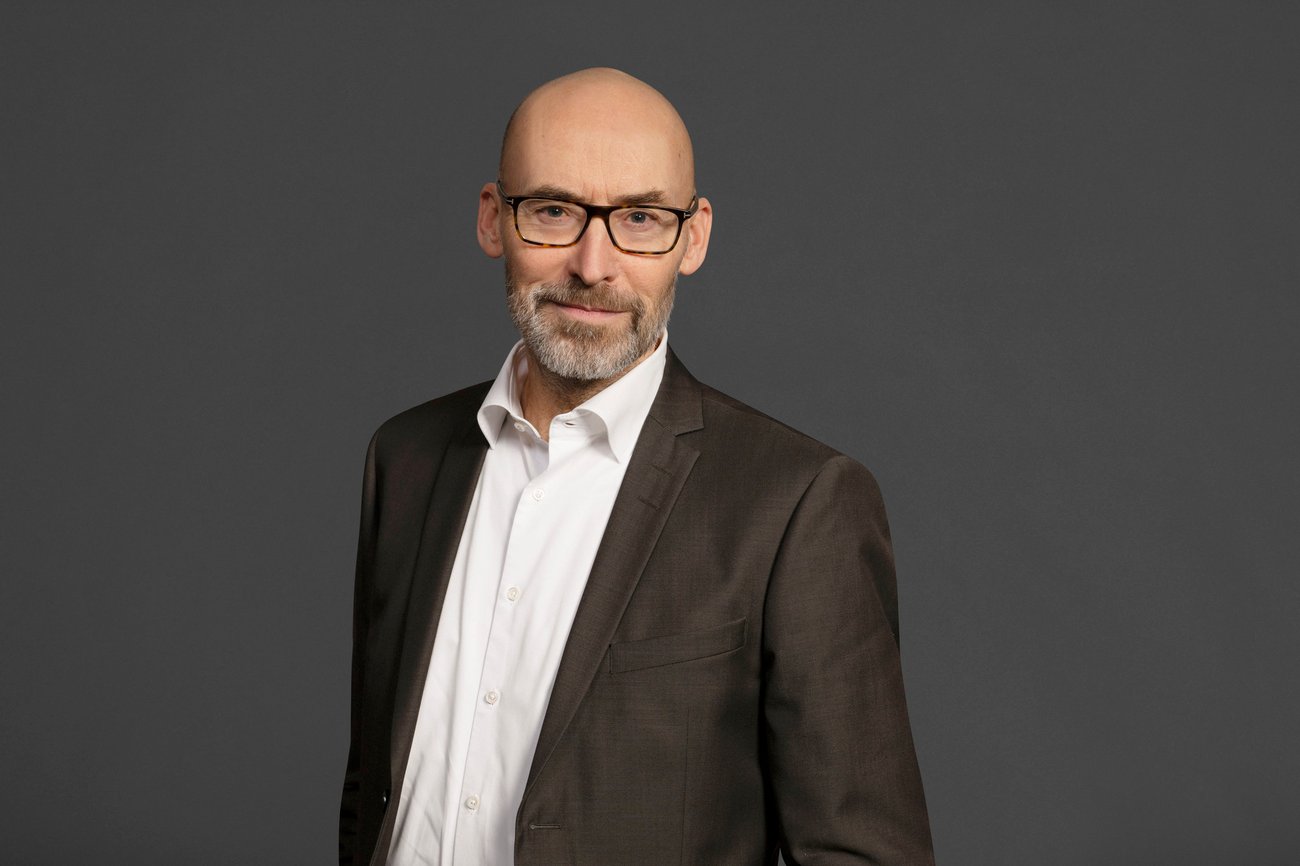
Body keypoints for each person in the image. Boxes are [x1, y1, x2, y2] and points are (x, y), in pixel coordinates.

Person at [340, 67, 935, 866]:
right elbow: (375, 790)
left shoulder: (798, 503)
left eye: (641, 218)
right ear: (493, 219)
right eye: (554, 211)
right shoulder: (406, 460)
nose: (593, 264)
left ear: (693, 237)